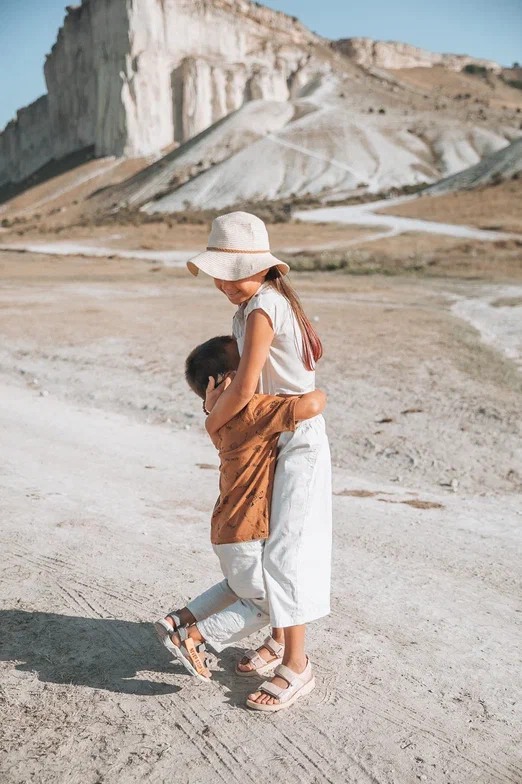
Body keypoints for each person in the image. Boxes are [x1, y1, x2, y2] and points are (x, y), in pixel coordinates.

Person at [185, 211, 332, 712]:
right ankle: (278, 642)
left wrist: (212, 420)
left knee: (286, 552)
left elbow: (246, 387)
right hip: (276, 430)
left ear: (261, 267)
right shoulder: (254, 306)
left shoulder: (263, 307)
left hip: (294, 434)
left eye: (233, 272)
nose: (223, 283)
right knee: (275, 547)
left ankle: (298, 665)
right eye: (217, 274)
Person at [154, 334, 326, 690]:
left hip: (226, 528)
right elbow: (312, 404)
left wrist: (213, 403)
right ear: (225, 381)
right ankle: (194, 636)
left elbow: (215, 417)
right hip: (248, 532)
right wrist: (313, 388)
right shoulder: (255, 409)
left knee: (237, 585)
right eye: (245, 362)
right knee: (268, 603)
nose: (256, 364)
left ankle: (178, 619)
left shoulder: (214, 421)